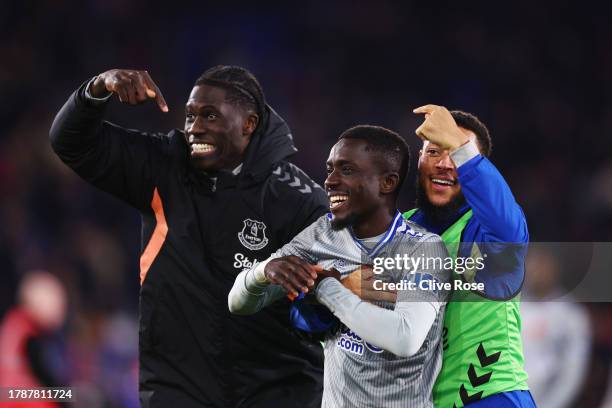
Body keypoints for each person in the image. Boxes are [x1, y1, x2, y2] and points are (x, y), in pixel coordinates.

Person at [49, 66, 329, 407]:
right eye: (190, 115)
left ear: (248, 124)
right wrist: (96, 89)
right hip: (177, 390)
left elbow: (340, 293)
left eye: (209, 116)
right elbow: (71, 142)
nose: (194, 128)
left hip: (275, 392)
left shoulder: (299, 200)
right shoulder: (163, 166)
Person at [228, 125, 451, 407]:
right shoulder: (322, 234)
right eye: (330, 169)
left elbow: (404, 338)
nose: (330, 181)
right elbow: (238, 304)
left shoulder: (424, 248)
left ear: (387, 182)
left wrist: (326, 289)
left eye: (346, 170)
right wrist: (262, 272)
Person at [402, 105, 535, 407]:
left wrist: (462, 150)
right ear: (419, 160)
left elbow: (507, 226)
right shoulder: (399, 232)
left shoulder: (489, 234)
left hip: (491, 398)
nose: (446, 164)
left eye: (457, 153)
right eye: (434, 152)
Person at [0, 270, 67, 408]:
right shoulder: (23, 335)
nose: (62, 309)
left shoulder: (24, 330)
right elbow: (9, 390)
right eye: (57, 299)